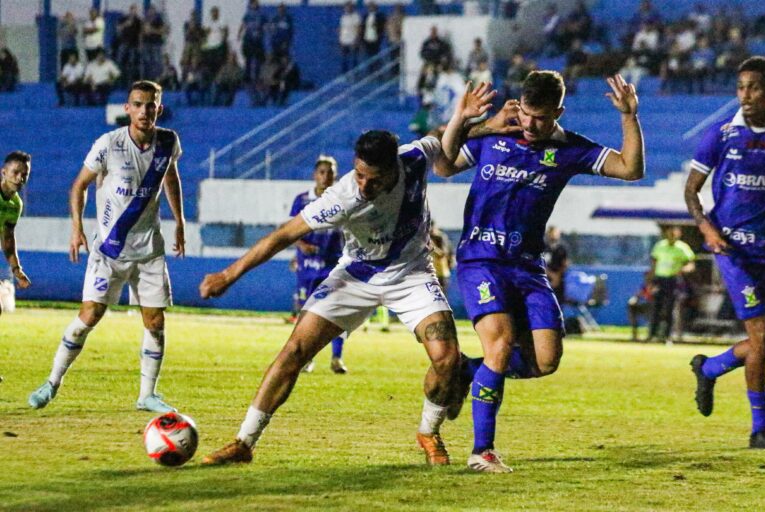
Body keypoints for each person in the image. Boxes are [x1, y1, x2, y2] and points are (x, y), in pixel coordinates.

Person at [198, 130, 462, 467]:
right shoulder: (342, 196)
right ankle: (244, 442)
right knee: (295, 350)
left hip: (411, 273)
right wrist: (228, 275)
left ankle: (428, 432)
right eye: (359, 174)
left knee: (446, 356)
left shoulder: (413, 158)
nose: (364, 185)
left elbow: (443, 136)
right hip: (356, 275)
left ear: (394, 168)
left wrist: (489, 123)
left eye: (374, 179)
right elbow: (283, 235)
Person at [437, 72, 644, 472]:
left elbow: (630, 169)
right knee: (500, 345)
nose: (531, 126)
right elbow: (444, 165)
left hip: (528, 267)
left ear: (559, 113)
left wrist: (628, 117)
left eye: (541, 119)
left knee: (546, 360)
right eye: (527, 115)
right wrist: (464, 121)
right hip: (481, 261)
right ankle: (482, 451)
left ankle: (466, 371)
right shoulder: (493, 135)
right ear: (519, 105)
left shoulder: (569, 149)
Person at [28, 81, 186, 413]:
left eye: (151, 105)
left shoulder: (168, 142)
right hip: (109, 250)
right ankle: (52, 382)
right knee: (89, 316)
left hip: (149, 251)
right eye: (138, 104)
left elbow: (170, 176)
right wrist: (77, 229)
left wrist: (180, 222)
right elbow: (78, 186)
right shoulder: (109, 145)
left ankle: (147, 395)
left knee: (155, 323)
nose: (144, 110)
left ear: (159, 108)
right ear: (127, 108)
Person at [686, 56, 765, 449]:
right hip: (732, 250)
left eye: (754, 87)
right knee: (762, 336)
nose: (746, 95)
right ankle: (759, 428)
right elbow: (691, 190)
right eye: (741, 87)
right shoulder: (721, 135)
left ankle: (712, 367)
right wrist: (705, 226)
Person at [289, 155, 348, 374]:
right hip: (308, 267)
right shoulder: (302, 199)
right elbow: (291, 230)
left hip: (335, 265)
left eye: (330, 172)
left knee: (337, 312)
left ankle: (336, 358)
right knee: (308, 315)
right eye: (322, 172)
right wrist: (301, 245)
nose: (326, 176)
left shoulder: (342, 199)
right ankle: (307, 358)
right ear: (315, 175)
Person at [645, 225, 695, 343]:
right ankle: (652, 335)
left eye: (674, 233)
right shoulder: (660, 246)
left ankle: (667, 336)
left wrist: (683, 270)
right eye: (670, 232)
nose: (672, 235)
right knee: (656, 307)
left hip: (673, 280)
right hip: (659, 279)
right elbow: (654, 263)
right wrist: (650, 280)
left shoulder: (682, 248)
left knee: (670, 308)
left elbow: (691, 264)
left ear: (679, 234)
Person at [0, 151, 32, 317]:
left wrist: (16, 269)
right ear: (4, 172)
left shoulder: (15, 204)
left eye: (24, 174)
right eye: (15, 172)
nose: (20, 178)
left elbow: (7, 237)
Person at [239, 0, 267, 84]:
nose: (255, 5)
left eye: (256, 3)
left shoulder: (262, 14)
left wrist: (265, 32)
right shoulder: (247, 14)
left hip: (258, 40)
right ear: (250, 5)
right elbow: (243, 24)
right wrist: (239, 33)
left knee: (258, 59)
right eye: (253, 4)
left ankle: (257, 77)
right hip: (248, 39)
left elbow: (266, 25)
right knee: (248, 59)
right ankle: (247, 77)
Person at [543, 225, 569, 303]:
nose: (553, 235)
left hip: (559, 281)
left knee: (558, 304)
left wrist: (557, 277)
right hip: (545, 279)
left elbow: (565, 263)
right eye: (551, 233)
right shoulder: (543, 247)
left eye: (555, 233)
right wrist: (551, 275)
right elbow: (540, 263)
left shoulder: (562, 248)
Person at [338, 1, 361, 74]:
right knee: (344, 59)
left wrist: (356, 40)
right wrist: (340, 40)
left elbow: (358, 29)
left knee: (354, 59)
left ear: (352, 8)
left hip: (352, 41)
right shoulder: (343, 17)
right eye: (346, 7)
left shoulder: (356, 16)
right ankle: (344, 74)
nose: (347, 9)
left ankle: (355, 74)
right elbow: (341, 29)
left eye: (349, 7)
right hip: (344, 41)